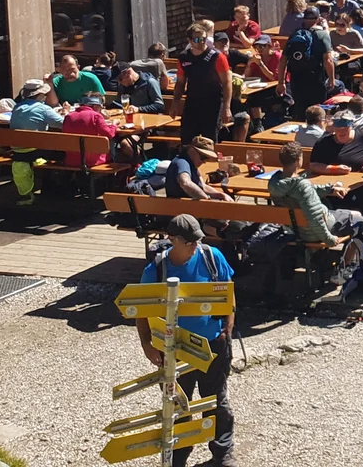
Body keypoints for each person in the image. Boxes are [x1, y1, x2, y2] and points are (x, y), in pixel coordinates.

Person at [136, 215, 235, 467]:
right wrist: (147, 345)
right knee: (178, 404)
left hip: (213, 343)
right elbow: (141, 311)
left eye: (197, 240)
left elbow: (228, 293)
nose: (195, 245)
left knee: (216, 400)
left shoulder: (212, 256)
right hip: (175, 349)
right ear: (172, 240)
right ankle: (178, 457)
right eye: (189, 241)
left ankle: (222, 455)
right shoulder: (156, 270)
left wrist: (227, 331)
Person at [267, 144, 350, 246]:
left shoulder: (275, 184)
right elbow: (315, 218)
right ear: (299, 160)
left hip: (295, 229)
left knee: (341, 213)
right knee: (357, 218)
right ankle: (350, 260)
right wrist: (329, 239)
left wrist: (330, 189)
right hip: (313, 233)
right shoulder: (301, 185)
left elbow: (303, 191)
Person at [174, 20, 234, 145]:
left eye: (203, 39)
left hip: (213, 103)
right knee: (187, 139)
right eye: (197, 40)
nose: (201, 42)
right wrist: (175, 103)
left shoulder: (216, 56)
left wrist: (227, 108)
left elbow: (227, 82)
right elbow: (180, 82)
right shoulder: (184, 57)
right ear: (190, 41)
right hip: (192, 102)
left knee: (210, 140)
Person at [6, 80, 63, 205]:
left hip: (17, 152)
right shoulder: (43, 109)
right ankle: (55, 185)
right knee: (62, 151)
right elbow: (63, 124)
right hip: (36, 152)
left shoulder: (17, 107)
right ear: (40, 95)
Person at [61, 93, 118, 168]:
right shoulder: (95, 116)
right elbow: (109, 134)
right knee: (111, 142)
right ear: (95, 106)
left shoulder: (69, 116)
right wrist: (114, 125)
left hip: (72, 160)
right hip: (94, 161)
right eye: (101, 107)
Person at [167, 137, 231, 201]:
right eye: (203, 157)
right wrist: (205, 198)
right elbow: (185, 182)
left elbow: (203, 186)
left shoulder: (192, 164)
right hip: (182, 208)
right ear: (192, 150)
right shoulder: (182, 163)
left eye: (207, 158)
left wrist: (221, 194)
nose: (204, 161)